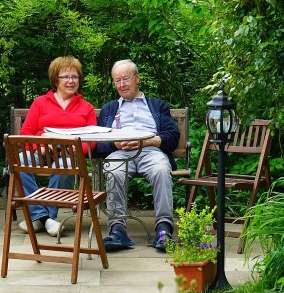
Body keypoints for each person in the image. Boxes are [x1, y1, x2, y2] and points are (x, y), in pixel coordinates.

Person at [95, 59, 180, 251]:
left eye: (126, 79)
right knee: (114, 170)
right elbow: (98, 145)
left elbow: (172, 136)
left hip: (150, 151)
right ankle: (118, 231)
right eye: (117, 80)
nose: (122, 84)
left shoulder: (157, 105)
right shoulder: (109, 109)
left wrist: (147, 141)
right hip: (120, 152)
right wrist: (114, 143)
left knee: (160, 169)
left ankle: (164, 230)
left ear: (137, 78)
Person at [18, 56, 97, 237]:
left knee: (65, 165)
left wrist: (69, 150)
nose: (71, 81)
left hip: (69, 154)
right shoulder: (40, 102)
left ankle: (44, 218)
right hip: (42, 151)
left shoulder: (87, 108)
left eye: (75, 77)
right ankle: (44, 218)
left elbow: (91, 141)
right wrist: (41, 147)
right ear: (55, 80)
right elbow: (25, 134)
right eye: (66, 77)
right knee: (20, 160)